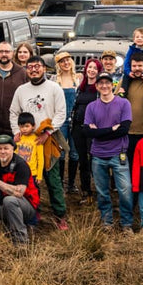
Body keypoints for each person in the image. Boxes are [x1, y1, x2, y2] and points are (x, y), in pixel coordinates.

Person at [10, 54, 68, 227]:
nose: (34, 70)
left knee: (52, 178)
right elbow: (14, 112)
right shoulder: (21, 90)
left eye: (37, 66)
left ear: (44, 68)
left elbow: (61, 113)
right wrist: (16, 131)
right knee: (28, 177)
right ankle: (33, 211)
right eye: (30, 67)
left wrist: (47, 133)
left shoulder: (54, 88)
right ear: (26, 70)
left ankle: (60, 214)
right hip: (27, 142)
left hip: (48, 140)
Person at [84, 76, 132, 229]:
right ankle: (107, 221)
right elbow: (87, 132)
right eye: (101, 84)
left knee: (125, 191)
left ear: (113, 85)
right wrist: (111, 129)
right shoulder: (91, 106)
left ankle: (126, 223)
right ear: (97, 86)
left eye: (107, 83)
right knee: (102, 191)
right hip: (98, 155)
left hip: (119, 153)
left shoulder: (124, 103)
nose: (104, 86)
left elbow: (124, 130)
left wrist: (98, 131)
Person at [69, 58, 103, 199]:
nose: (91, 70)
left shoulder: (100, 88)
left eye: (95, 68)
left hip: (93, 129)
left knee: (94, 160)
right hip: (78, 128)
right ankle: (86, 191)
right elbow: (75, 107)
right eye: (89, 67)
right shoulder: (81, 87)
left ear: (99, 71)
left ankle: (100, 190)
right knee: (82, 159)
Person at [53, 52, 83, 195]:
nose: (65, 63)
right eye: (62, 61)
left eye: (67, 60)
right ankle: (59, 183)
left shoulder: (78, 79)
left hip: (75, 119)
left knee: (74, 153)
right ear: (58, 64)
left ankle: (71, 184)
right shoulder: (54, 80)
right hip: (60, 119)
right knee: (60, 152)